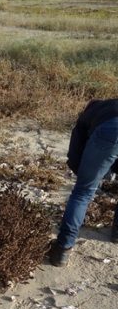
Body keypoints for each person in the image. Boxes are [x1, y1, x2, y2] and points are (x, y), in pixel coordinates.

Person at [49, 99, 118, 267]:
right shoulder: (108, 106)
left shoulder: (88, 115)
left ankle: (63, 249)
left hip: (110, 132)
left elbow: (74, 156)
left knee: (83, 193)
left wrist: (88, 175)